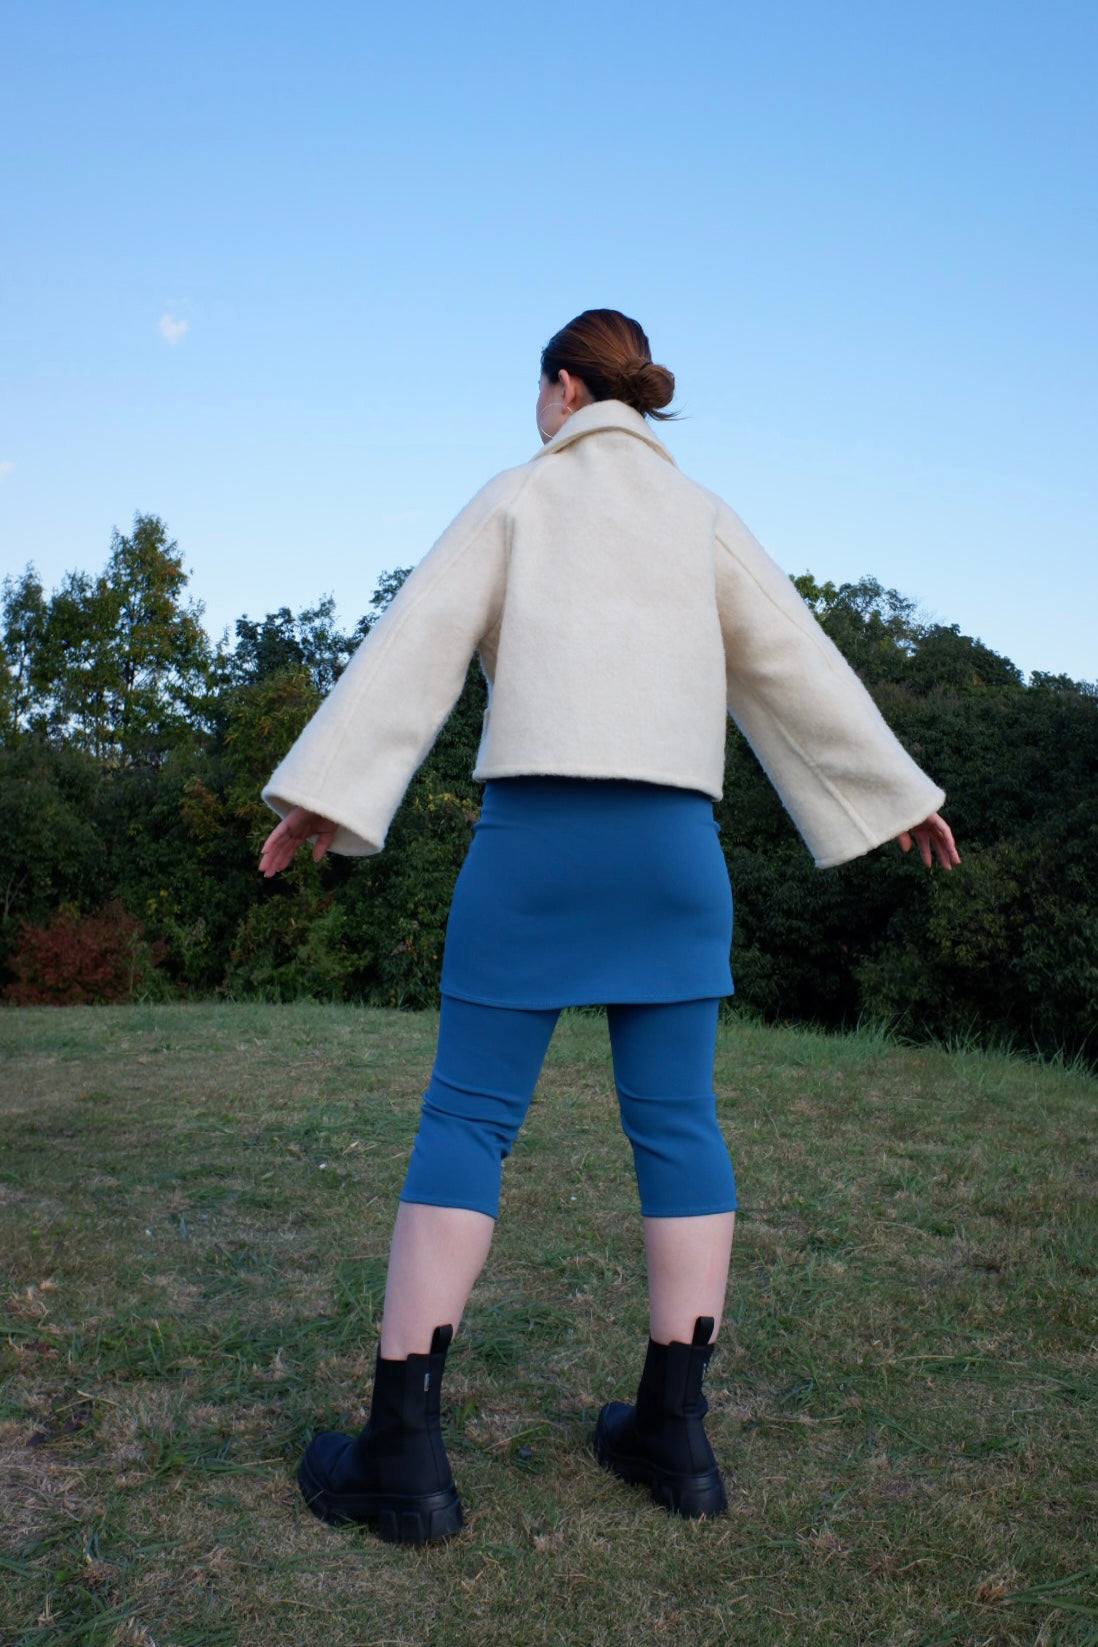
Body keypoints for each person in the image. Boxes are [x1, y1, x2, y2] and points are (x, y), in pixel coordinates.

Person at [259, 309, 959, 1545]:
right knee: (679, 1122)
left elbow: (413, 644)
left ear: (566, 387)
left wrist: (325, 792)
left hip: (535, 849)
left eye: (538, 394)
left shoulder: (518, 496)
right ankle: (674, 1435)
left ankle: (404, 1455)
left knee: (468, 1120)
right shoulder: (701, 516)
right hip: (676, 858)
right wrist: (896, 795)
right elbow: (796, 661)